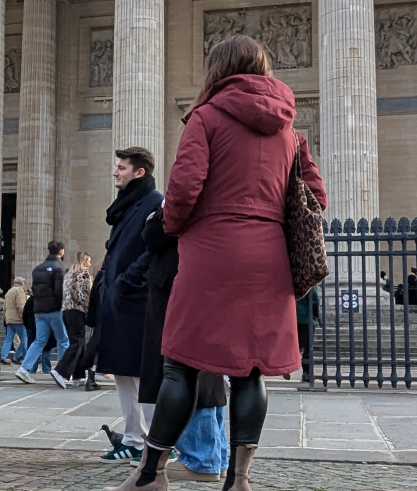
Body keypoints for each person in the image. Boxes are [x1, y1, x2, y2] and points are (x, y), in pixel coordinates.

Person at [105, 35, 326, 491]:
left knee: (181, 365)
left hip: (211, 252)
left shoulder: (206, 117)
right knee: (251, 370)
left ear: (219, 70)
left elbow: (183, 193)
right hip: (268, 256)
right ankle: (238, 481)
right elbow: (316, 198)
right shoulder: (289, 130)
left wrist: (171, 226)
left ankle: (151, 474)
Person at [132, 208, 228, 482]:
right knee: (206, 373)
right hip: (201, 283)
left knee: (189, 371)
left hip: (182, 286)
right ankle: (214, 458)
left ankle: (201, 460)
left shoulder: (189, 197)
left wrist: (156, 216)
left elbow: (154, 233)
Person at [97, 147, 164, 465]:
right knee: (123, 373)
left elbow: (155, 248)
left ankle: (157, 442)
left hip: (138, 300)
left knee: (143, 374)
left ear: (139, 172)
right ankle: (133, 439)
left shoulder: (154, 202)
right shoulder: (126, 206)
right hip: (118, 301)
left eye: (121, 167)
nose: (115, 172)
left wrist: (126, 281)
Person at [15, 242, 70, 384]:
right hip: (54, 309)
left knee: (39, 341)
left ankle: (24, 369)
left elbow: (35, 289)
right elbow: (59, 291)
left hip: (39, 309)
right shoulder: (59, 268)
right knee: (63, 340)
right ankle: (61, 372)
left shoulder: (37, 269)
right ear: (62, 251)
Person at [52, 252, 94, 388]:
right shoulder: (83, 274)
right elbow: (83, 295)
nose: (90, 264)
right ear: (83, 261)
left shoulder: (69, 274)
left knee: (78, 341)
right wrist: (91, 309)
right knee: (77, 342)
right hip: (77, 310)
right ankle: (60, 371)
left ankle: (79, 375)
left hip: (66, 310)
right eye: (88, 261)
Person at [1, 277, 28, 364]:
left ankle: (4, 356)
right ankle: (26, 358)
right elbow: (21, 305)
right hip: (18, 319)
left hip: (9, 319)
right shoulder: (19, 291)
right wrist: (24, 316)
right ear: (22, 283)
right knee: (24, 339)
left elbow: (4, 306)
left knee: (8, 339)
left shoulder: (9, 291)